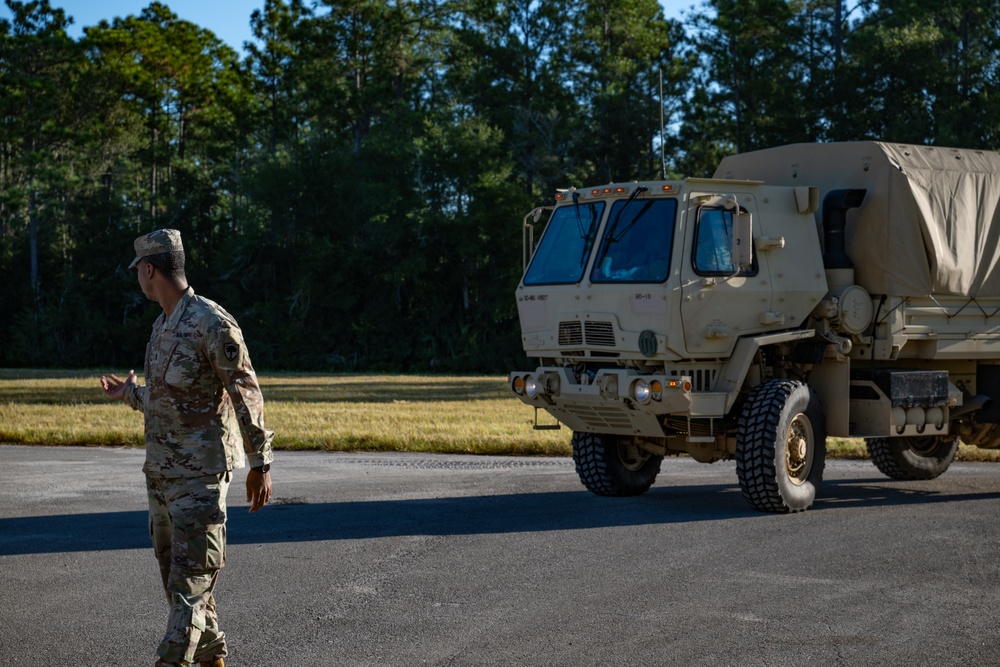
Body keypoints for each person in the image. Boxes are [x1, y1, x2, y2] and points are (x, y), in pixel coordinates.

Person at [101, 228, 274, 667]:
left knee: (191, 584)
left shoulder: (212, 323)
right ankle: (212, 652)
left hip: (199, 478)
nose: (137, 279)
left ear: (149, 269)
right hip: (160, 476)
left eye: (138, 271)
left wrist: (260, 462)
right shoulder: (161, 327)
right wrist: (129, 394)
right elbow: (166, 400)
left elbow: (245, 392)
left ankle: (171, 660)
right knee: (179, 583)